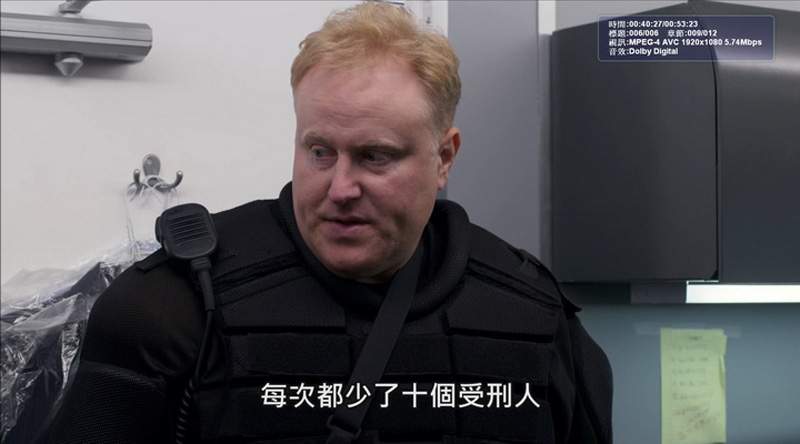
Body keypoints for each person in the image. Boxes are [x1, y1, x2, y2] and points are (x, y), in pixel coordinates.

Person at [42, 3, 612, 443]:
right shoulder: (170, 306)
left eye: (375, 156)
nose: (339, 188)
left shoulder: (536, 317)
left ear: (444, 157)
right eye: (319, 151)